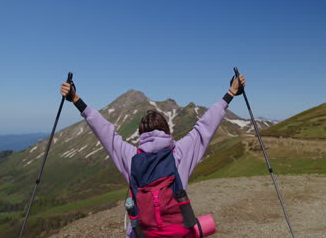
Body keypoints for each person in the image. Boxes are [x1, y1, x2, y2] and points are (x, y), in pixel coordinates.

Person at [60, 73, 246, 237]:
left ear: (142, 134)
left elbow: (105, 132)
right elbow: (205, 126)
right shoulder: (180, 152)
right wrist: (231, 92)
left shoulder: (131, 156)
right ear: (166, 131)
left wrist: (76, 99)